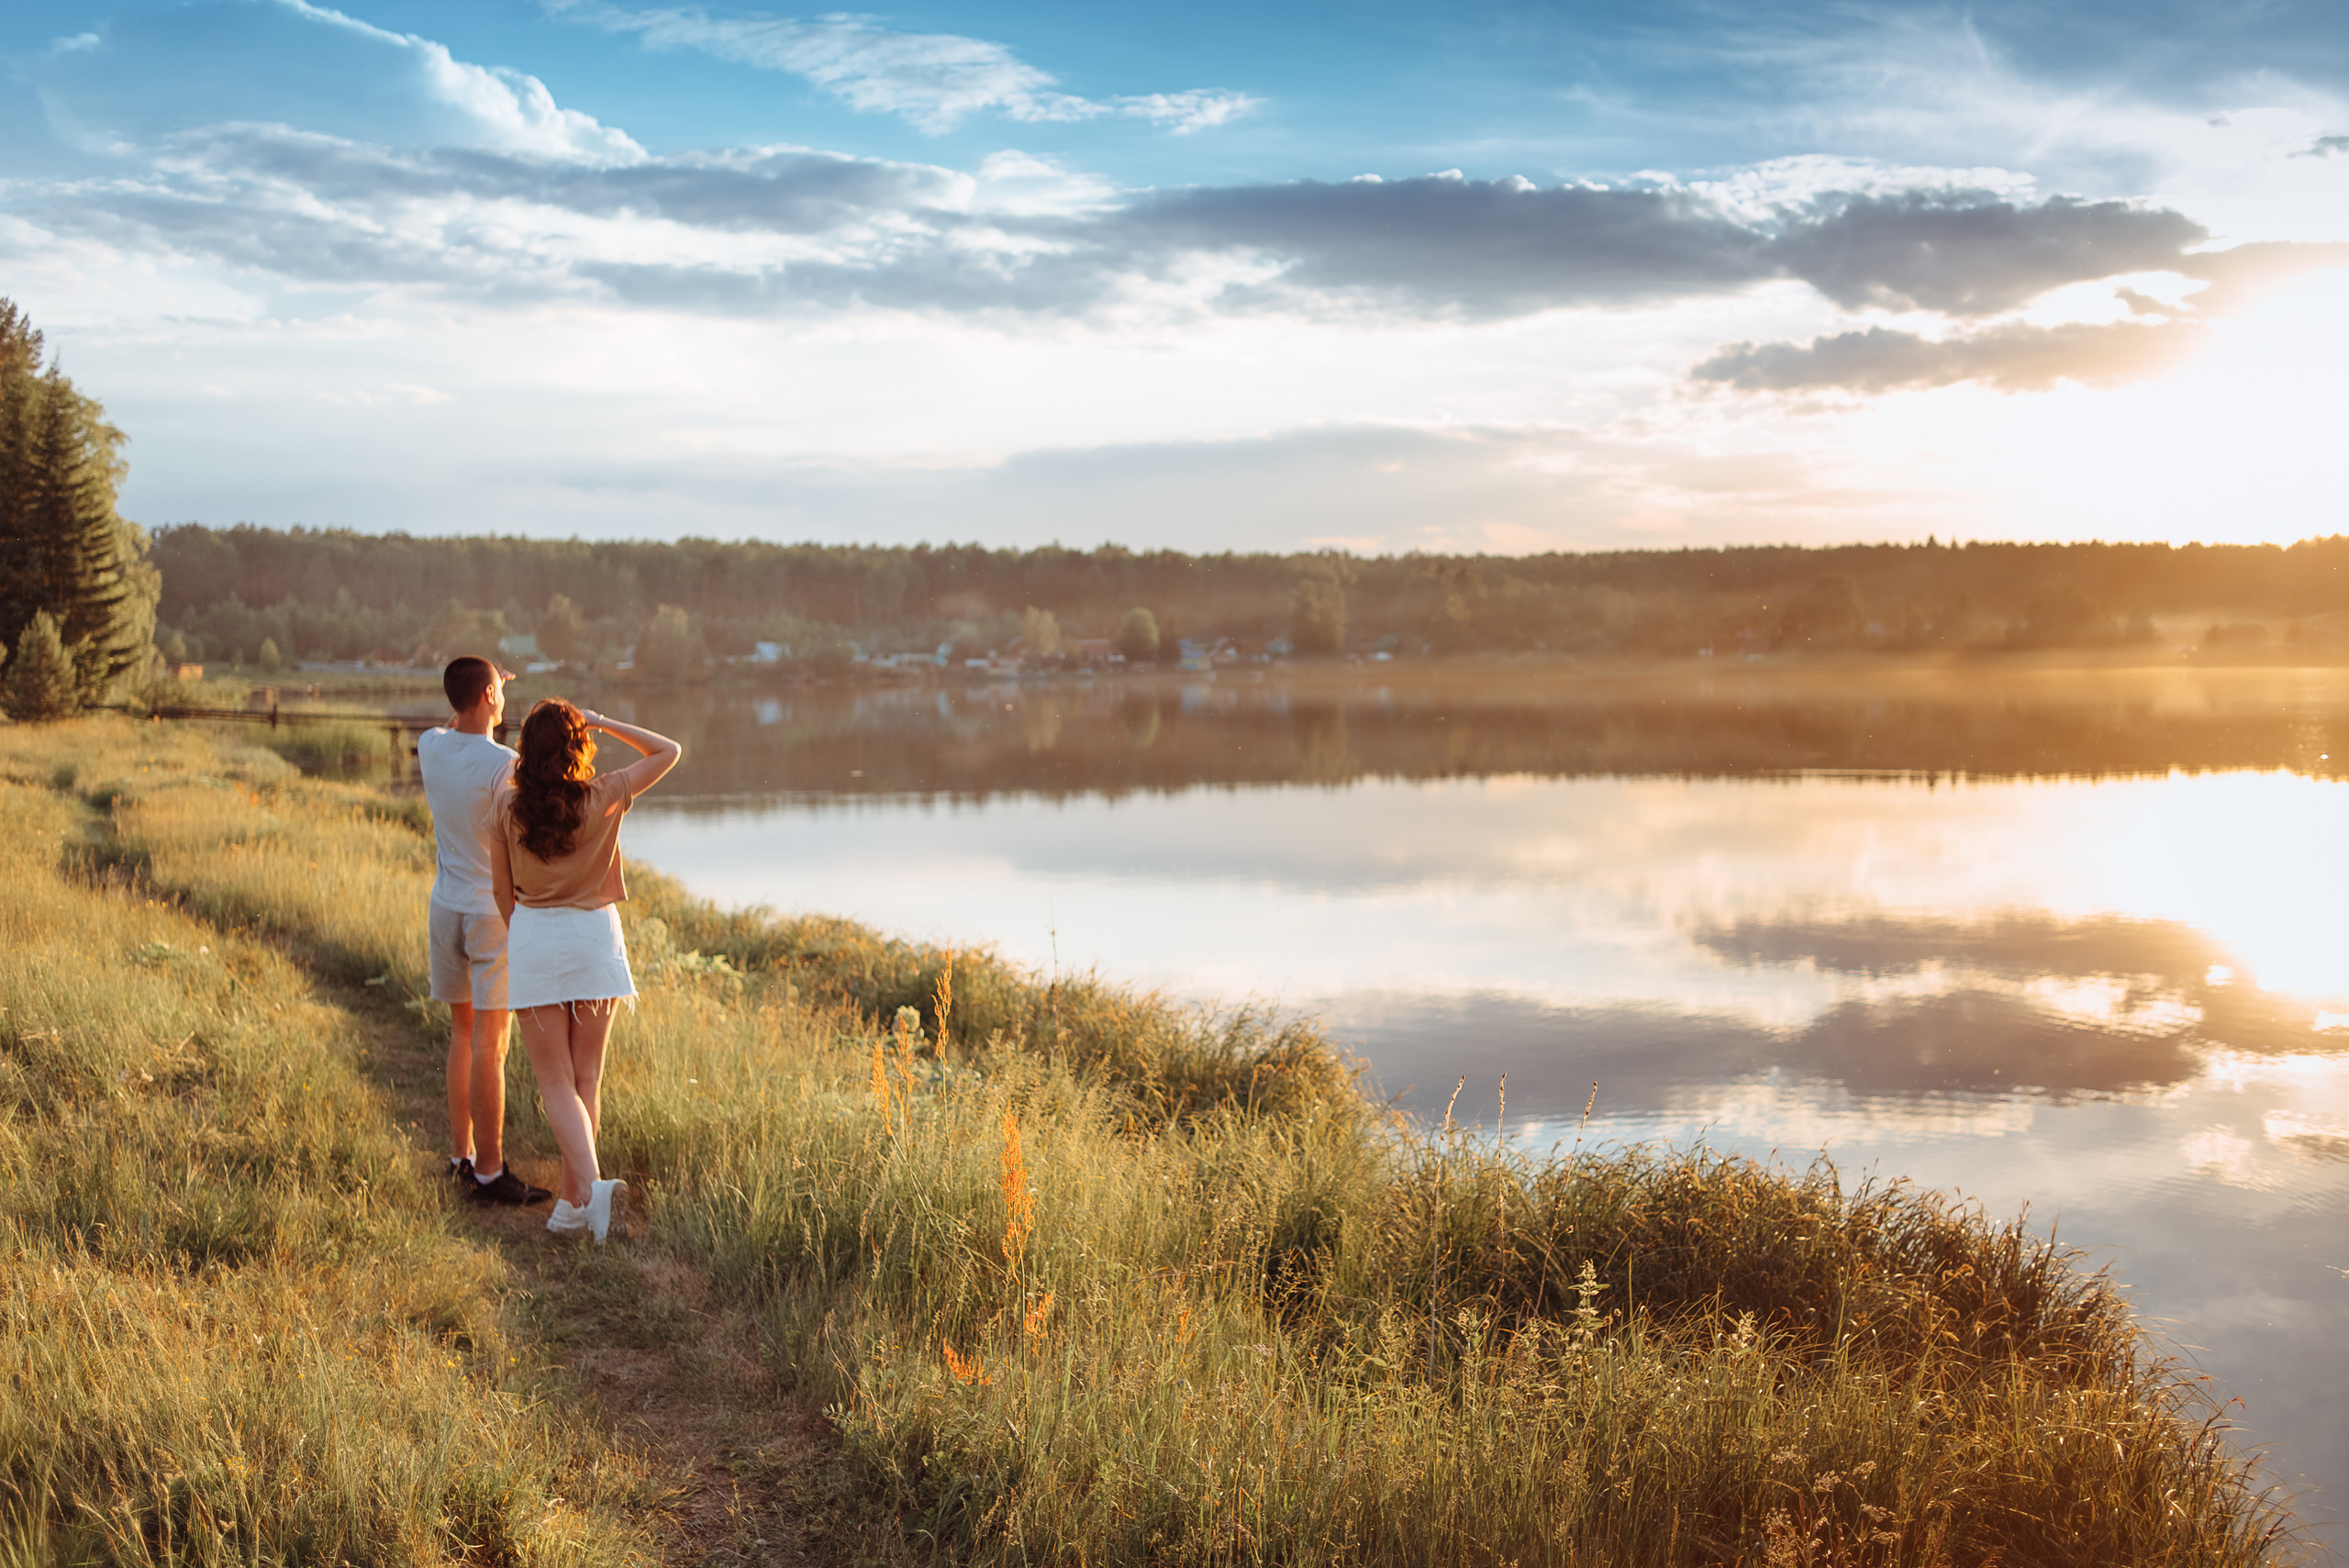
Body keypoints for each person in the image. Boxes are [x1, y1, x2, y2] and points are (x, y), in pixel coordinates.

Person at [491, 698, 682, 1241]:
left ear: (526, 750)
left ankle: (587, 1194)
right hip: (595, 938)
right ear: (578, 745)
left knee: (556, 1083)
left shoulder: (506, 805)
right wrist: (602, 722)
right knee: (586, 1079)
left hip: (535, 933)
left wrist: (528, 937)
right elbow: (669, 751)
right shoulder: (605, 794)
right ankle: (575, 1205)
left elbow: (502, 892)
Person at [417, 656, 550, 1207]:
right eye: (498, 688)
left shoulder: (430, 746)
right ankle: (491, 1173)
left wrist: (481, 686)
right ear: (490, 695)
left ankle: (461, 1156)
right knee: (491, 1046)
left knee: (462, 1033)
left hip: (445, 907)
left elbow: (455, 726)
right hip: (490, 915)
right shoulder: (505, 765)